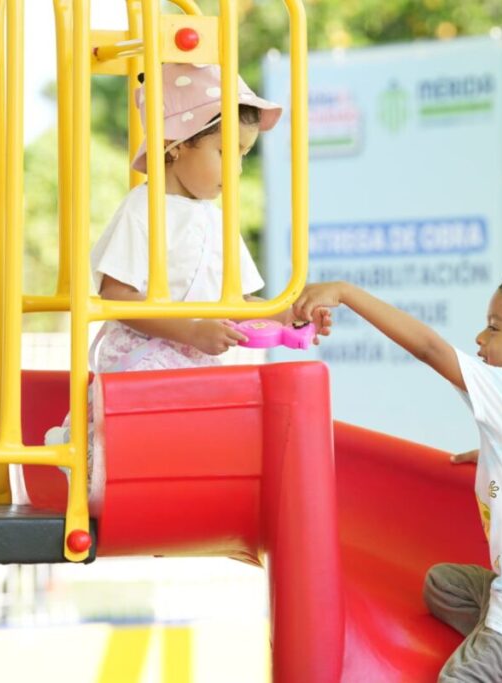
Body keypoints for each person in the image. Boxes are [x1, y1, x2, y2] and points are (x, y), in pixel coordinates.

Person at [294, 266, 502, 683]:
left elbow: (430, 349)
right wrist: (492, 455)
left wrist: (345, 293)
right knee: (442, 585)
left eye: (494, 327)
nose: (481, 338)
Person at [46, 63, 329, 496]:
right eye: (225, 151)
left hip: (194, 361)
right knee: (170, 410)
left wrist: (289, 315)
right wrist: (190, 330)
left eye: (244, 155)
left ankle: (172, 489)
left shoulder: (218, 220)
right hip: (142, 354)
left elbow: (241, 301)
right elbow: (117, 295)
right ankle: (88, 453)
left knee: (221, 414)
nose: (234, 169)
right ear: (175, 145)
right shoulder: (143, 208)